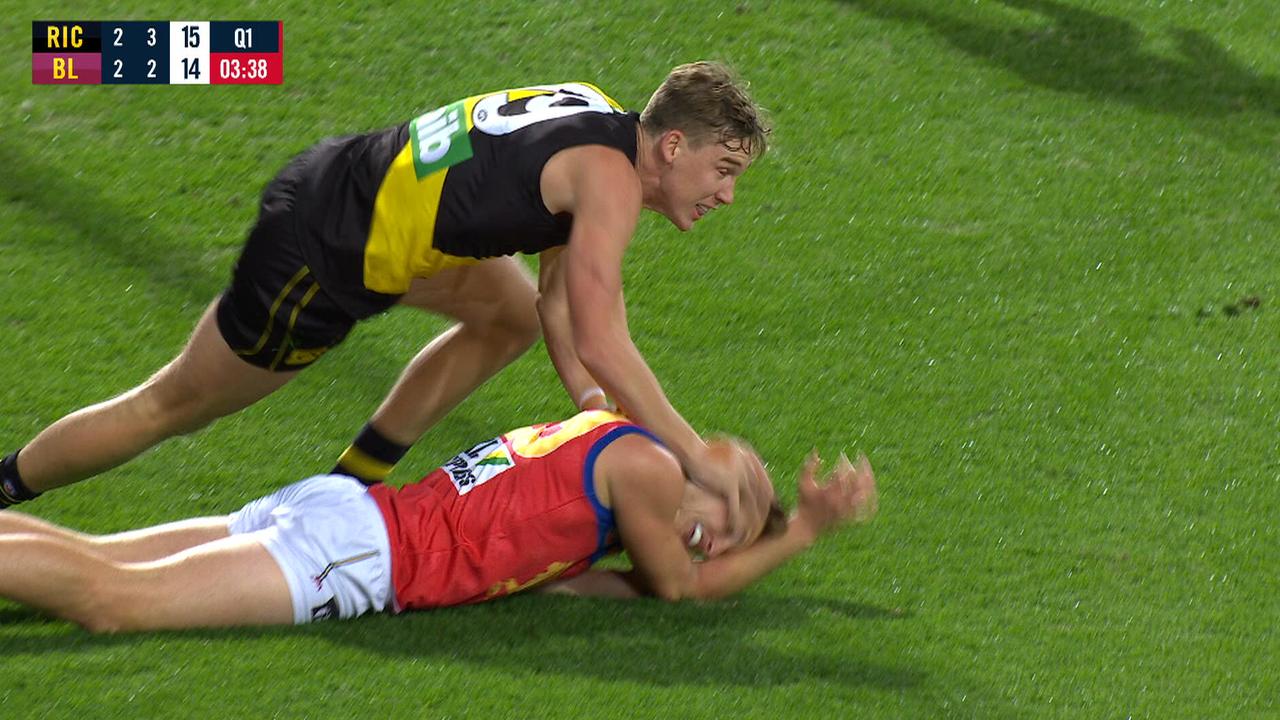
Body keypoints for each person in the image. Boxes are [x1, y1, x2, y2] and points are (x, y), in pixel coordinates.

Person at [0, 61, 774, 541]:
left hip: (352, 189)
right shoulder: (609, 183)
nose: (728, 195)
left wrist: (592, 402)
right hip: (319, 257)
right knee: (171, 405)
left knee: (502, 316)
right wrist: (691, 451)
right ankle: (7, 485)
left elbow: (560, 306)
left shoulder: (598, 119)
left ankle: (347, 488)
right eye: (723, 170)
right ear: (673, 147)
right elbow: (602, 332)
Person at [0, 410, 877, 632]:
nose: (712, 544)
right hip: (354, 556)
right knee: (113, 602)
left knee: (93, 556)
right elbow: (680, 591)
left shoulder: (608, 434)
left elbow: (607, 579)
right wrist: (800, 532)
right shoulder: (649, 471)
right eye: (728, 522)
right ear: (708, 478)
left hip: (344, 511)